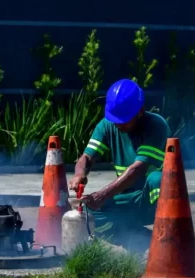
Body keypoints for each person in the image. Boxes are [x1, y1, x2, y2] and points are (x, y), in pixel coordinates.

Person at [68, 78, 171, 255]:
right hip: (125, 198)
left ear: (140, 111)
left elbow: (137, 169)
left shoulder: (156, 126)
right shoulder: (108, 125)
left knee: (158, 180)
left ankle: (168, 241)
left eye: (124, 120)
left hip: (149, 199)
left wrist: (102, 195)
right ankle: (136, 237)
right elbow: (86, 157)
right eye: (115, 119)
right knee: (85, 211)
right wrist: (80, 173)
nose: (118, 124)